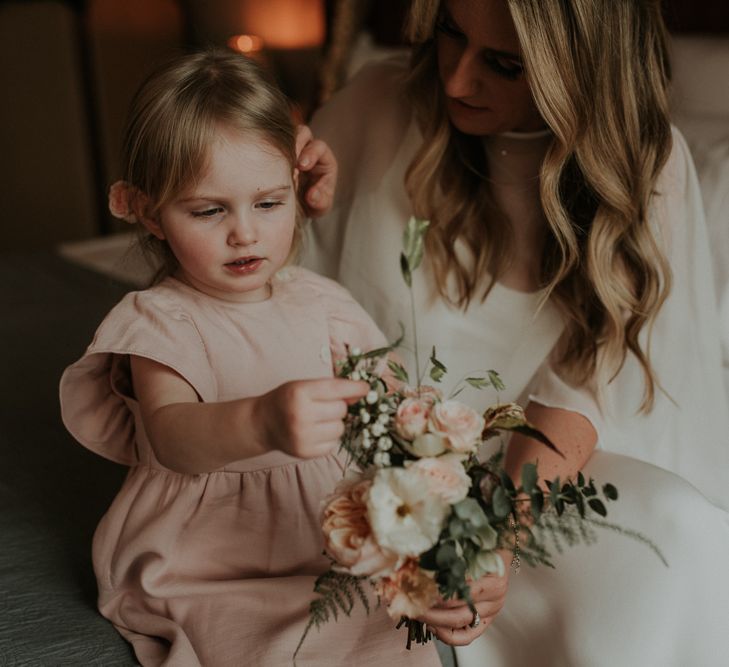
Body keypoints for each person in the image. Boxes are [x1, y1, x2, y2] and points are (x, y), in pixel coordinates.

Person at [302, 0, 729, 664]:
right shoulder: (374, 105)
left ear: (579, 74)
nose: (455, 81)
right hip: (369, 463)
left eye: (503, 66)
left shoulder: (647, 164)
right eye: (450, 33)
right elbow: (271, 285)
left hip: (547, 470)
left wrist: (488, 542)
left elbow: (580, 388)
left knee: (680, 536)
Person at [59, 49, 442, 667]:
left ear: (297, 186)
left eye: (268, 203)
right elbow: (171, 434)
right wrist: (260, 422)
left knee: (387, 639)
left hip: (322, 541)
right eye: (209, 210)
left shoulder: (323, 304)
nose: (245, 233)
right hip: (202, 560)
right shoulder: (165, 320)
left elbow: (388, 408)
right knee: (263, 648)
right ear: (150, 212)